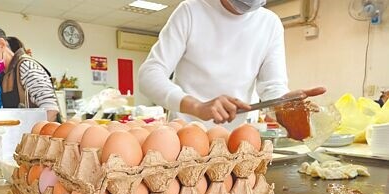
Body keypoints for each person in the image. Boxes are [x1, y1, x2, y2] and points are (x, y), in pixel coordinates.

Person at [139, 0, 326, 130]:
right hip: (185, 136)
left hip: (234, 140)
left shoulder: (270, 23)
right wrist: (197, 106)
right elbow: (149, 74)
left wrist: (284, 105)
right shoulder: (191, 11)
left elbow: (272, 86)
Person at [0, 19, 59, 121]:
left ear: (1, 44)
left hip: (42, 134)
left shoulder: (26, 68)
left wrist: (33, 135)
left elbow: (51, 110)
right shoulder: (4, 75)